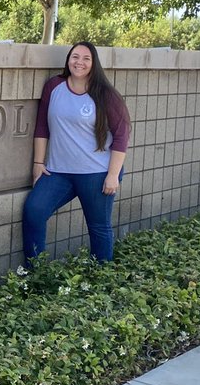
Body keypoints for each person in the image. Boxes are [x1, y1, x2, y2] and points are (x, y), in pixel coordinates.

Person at [22, 41, 130, 264]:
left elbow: (122, 135)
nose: (79, 62)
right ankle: (36, 272)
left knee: (98, 227)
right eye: (75, 57)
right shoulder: (54, 86)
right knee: (34, 211)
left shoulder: (106, 94)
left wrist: (112, 175)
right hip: (58, 172)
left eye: (86, 58)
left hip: (96, 173)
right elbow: (42, 126)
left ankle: (101, 275)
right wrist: (38, 163)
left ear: (94, 63)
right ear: (68, 60)